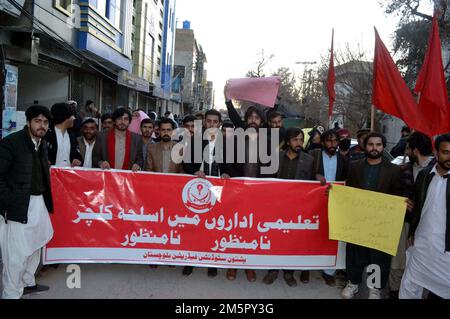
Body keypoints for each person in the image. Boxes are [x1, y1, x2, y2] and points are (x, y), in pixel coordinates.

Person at [341, 132, 405, 299]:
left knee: (378, 257)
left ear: (383, 147)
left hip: (381, 223)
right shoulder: (354, 166)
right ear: (365, 146)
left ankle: (374, 288)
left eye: (378, 145)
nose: (374, 148)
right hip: (358, 220)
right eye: (371, 144)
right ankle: (353, 283)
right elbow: (349, 192)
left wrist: (402, 203)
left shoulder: (394, 170)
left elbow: (397, 196)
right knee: (355, 253)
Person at [0, 105, 54, 299]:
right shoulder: (11, 143)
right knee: (16, 254)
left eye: (46, 122)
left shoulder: (41, 143)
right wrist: (10, 200)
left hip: (38, 203)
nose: (42, 126)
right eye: (38, 121)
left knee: (37, 244)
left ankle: (27, 282)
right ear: (28, 122)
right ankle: (10, 293)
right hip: (18, 205)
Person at [399, 133, 450, 299]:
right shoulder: (424, 175)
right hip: (421, 243)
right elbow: (419, 205)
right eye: (446, 152)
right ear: (436, 153)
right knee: (409, 287)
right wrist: (409, 206)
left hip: (445, 249)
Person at [262, 128, 314, 287]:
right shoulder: (276, 157)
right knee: (275, 238)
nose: (298, 143)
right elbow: (266, 180)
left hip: (296, 209)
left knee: (292, 240)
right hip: (276, 207)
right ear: (288, 141)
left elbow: (311, 184)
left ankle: (289, 272)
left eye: (301, 140)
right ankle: (273, 270)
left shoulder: (309, 160)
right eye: (295, 140)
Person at [181, 109, 229, 278]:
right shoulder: (194, 141)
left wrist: (226, 173)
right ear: (204, 123)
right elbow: (186, 164)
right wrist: (195, 171)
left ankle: (212, 262)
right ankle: (191, 261)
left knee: (214, 227)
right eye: (209, 121)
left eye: (215, 122)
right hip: (197, 188)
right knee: (194, 226)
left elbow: (233, 166)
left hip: (218, 190)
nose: (212, 125)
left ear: (219, 124)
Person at [386, 132, 434, 299]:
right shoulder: (404, 169)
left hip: (427, 227)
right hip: (404, 223)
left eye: (408, 148)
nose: (406, 152)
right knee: (397, 261)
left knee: (421, 262)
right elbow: (395, 193)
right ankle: (394, 291)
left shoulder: (436, 170)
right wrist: (402, 201)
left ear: (415, 150)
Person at [311, 129, 349, 286]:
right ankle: (306, 268)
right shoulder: (314, 156)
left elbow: (347, 179)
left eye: (335, 141)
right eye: (329, 141)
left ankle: (329, 272)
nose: (333, 144)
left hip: (336, 202)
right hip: (313, 202)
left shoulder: (344, 160)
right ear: (322, 142)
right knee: (311, 233)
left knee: (331, 235)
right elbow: (306, 173)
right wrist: (316, 175)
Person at [45, 103, 83, 167]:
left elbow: (76, 154)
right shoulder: (46, 134)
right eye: (72, 116)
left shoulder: (72, 135)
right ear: (65, 117)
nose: (74, 118)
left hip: (67, 174)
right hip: (50, 175)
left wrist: (77, 160)